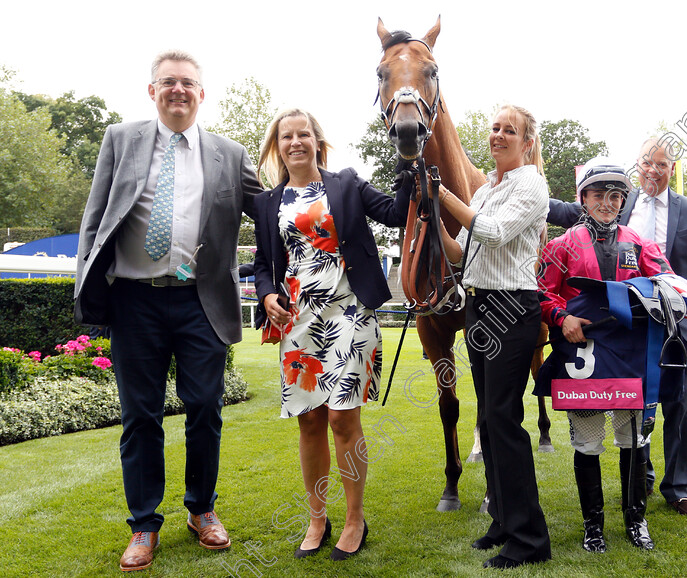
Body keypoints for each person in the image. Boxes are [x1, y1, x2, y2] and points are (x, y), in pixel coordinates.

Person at [74, 50, 262, 572]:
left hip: (201, 301)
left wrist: (332, 195)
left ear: (202, 94)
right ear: (151, 91)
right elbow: (94, 220)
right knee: (140, 416)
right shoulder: (120, 139)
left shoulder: (230, 152)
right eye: (168, 82)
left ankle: (202, 510)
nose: (178, 90)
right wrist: (88, 285)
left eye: (188, 83)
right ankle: (143, 524)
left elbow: (269, 212)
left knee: (205, 407)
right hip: (135, 300)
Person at [252, 108, 412, 561]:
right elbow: (265, 263)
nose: (296, 142)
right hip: (297, 323)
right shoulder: (269, 202)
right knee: (309, 420)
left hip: (349, 316)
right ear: (277, 145)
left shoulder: (345, 184)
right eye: (287, 136)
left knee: (344, 419)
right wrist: (265, 295)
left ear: (317, 141)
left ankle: (355, 518)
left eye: (304, 134)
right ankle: (317, 518)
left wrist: (407, 158)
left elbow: (398, 213)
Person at [536, 158, 673, 552]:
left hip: (630, 359)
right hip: (584, 359)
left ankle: (636, 520)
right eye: (599, 194)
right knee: (588, 443)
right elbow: (541, 294)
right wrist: (562, 317)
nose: (608, 202)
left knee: (633, 440)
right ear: (583, 198)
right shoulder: (560, 245)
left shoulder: (640, 242)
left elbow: (666, 281)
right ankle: (592, 525)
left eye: (615, 196)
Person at [439, 104, 551, 570]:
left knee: (503, 421)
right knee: (490, 417)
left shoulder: (532, 184)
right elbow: (462, 252)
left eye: (510, 130)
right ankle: (504, 520)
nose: (499, 135)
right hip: (480, 306)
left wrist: (443, 195)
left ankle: (529, 539)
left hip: (512, 307)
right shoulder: (486, 190)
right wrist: (426, 211)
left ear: (527, 143)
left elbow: (497, 233)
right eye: (495, 128)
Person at [620, 137, 687, 518]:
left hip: (684, 326)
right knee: (637, 405)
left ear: (672, 170)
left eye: (662, 165)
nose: (653, 169)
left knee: (681, 408)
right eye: (647, 162)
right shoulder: (622, 203)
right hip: (634, 324)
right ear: (638, 163)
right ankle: (640, 479)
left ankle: (678, 488)